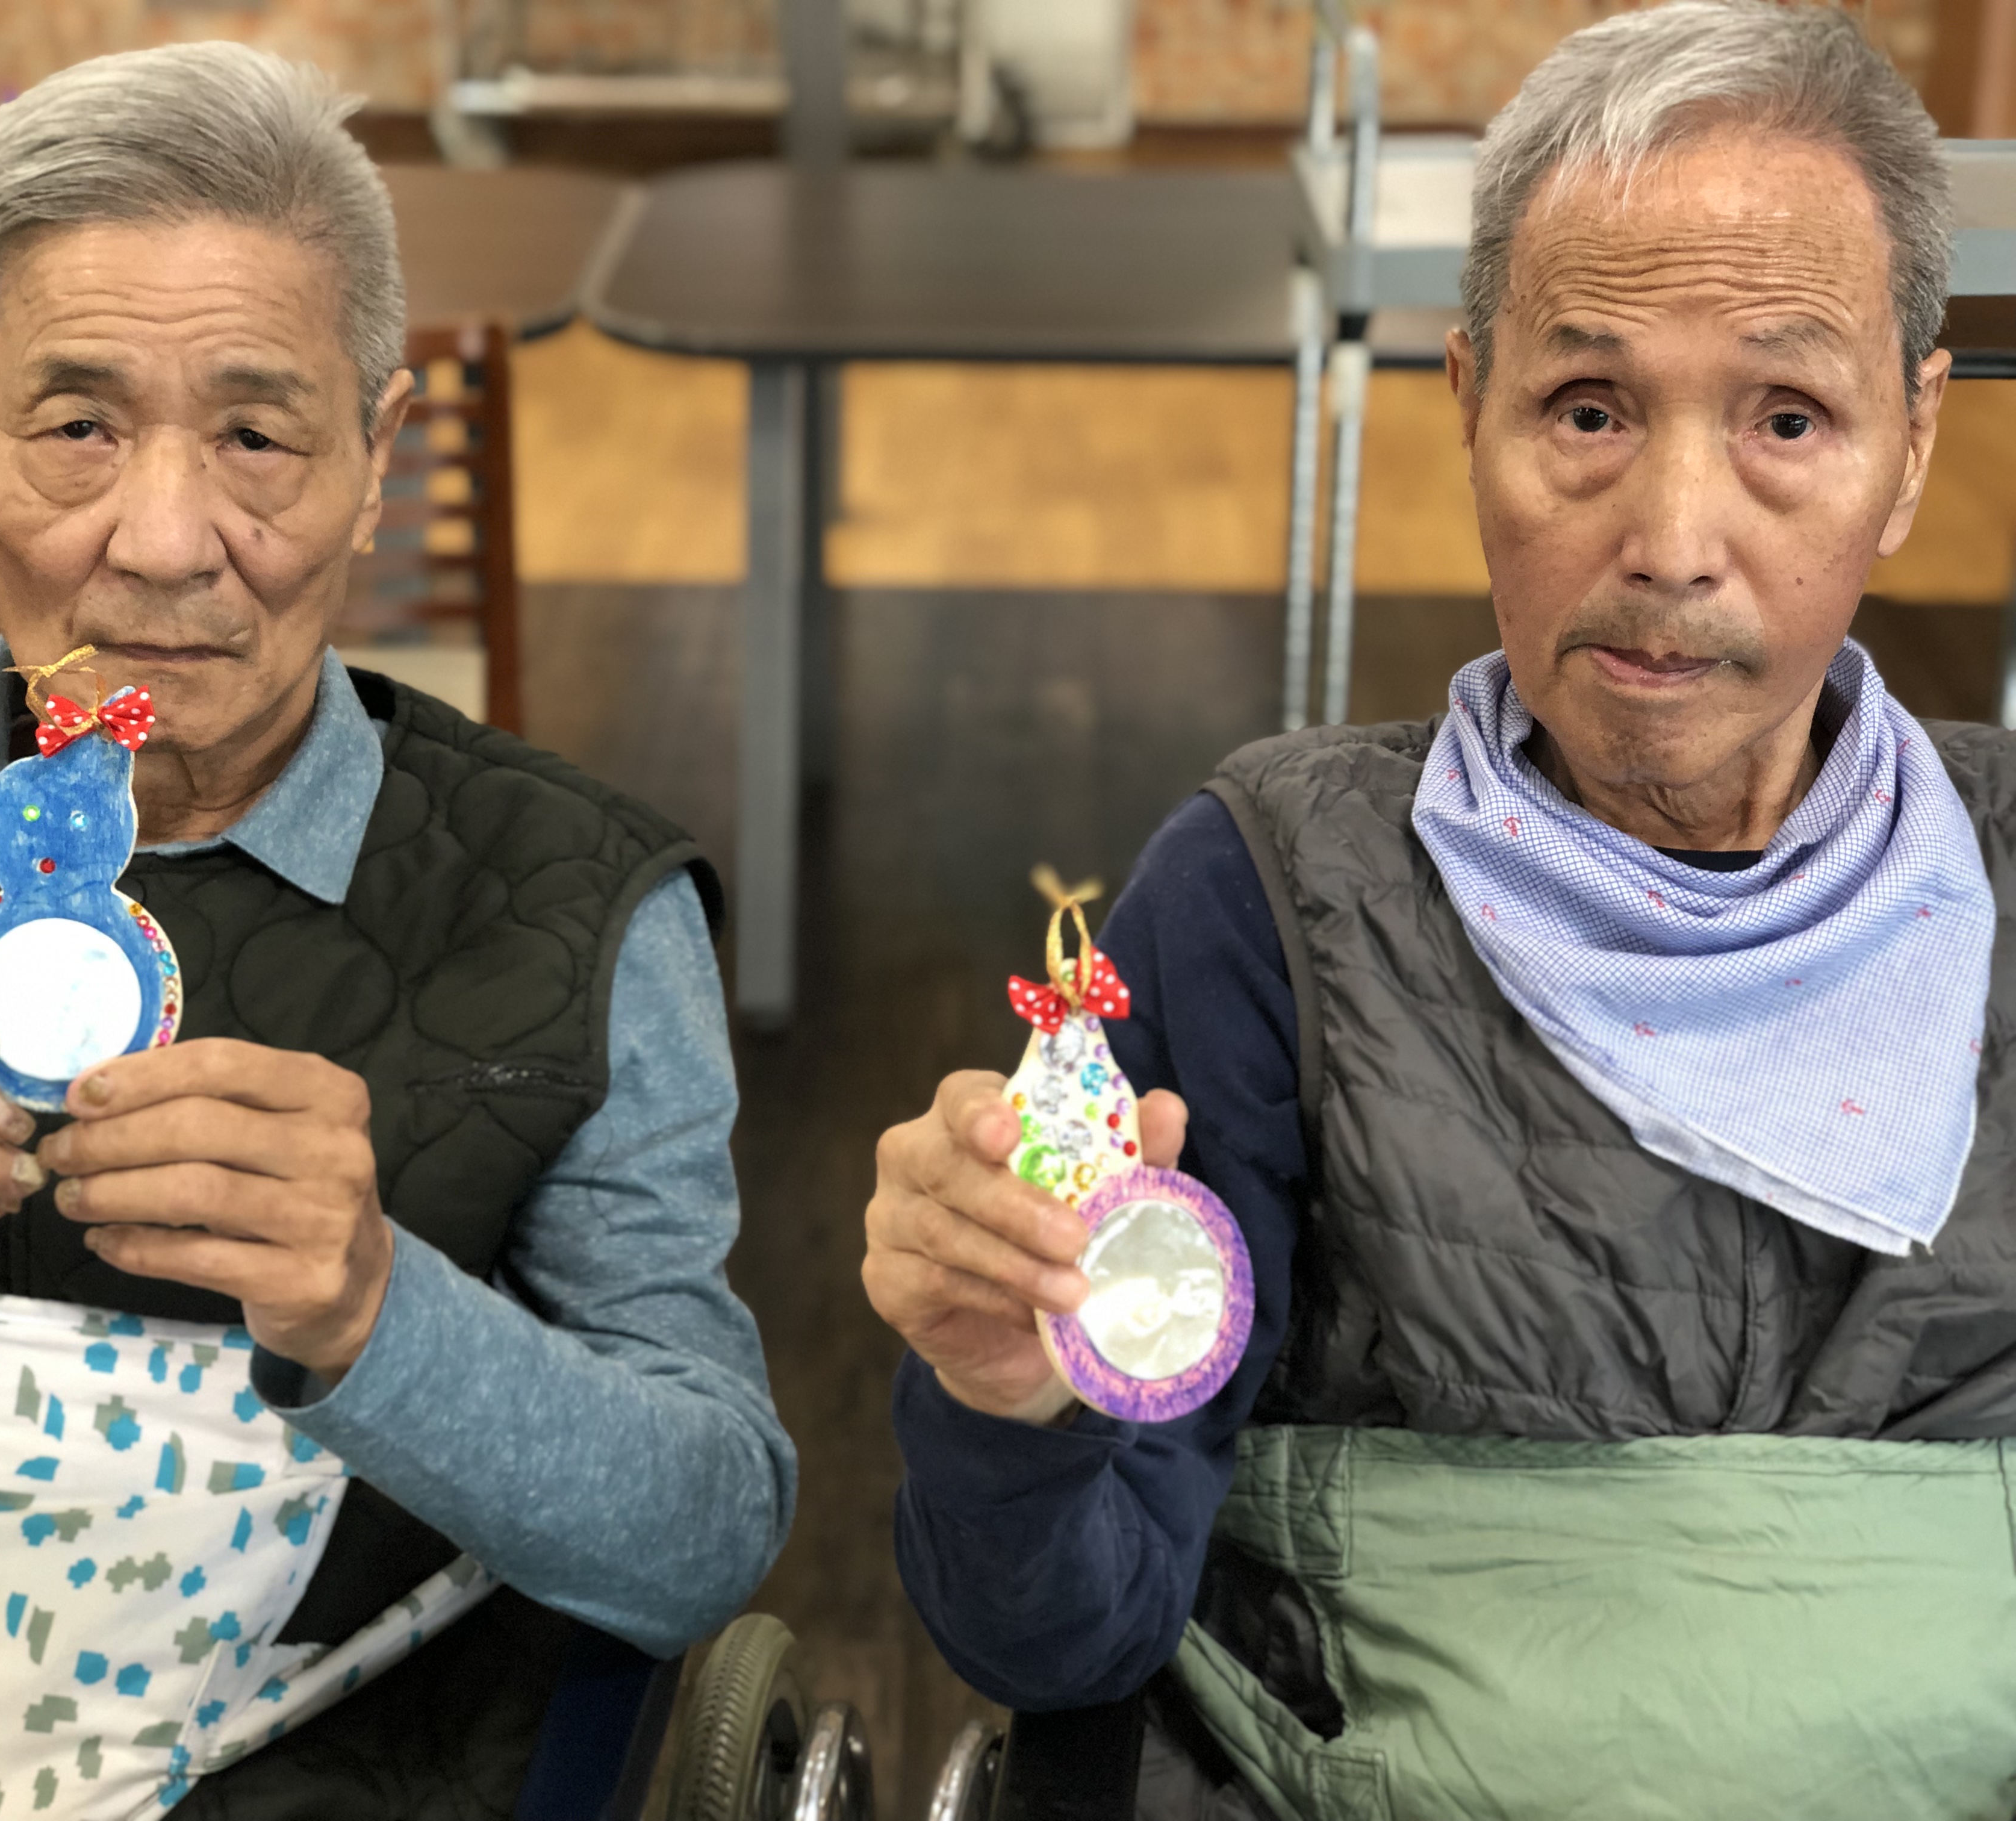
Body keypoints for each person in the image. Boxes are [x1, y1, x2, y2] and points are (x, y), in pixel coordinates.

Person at [0, 43, 794, 1820]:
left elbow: (702, 1539)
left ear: (376, 459)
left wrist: (375, 1309)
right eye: (76, 427)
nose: (162, 544)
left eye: (257, 436)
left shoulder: (585, 914)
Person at [864, 4, 2016, 1815]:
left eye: (1788, 418)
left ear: (1916, 443)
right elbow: (1063, 1642)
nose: (1674, 539)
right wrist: (1014, 1405)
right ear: (1469, 407)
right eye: (1586, 411)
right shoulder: (1262, 905)